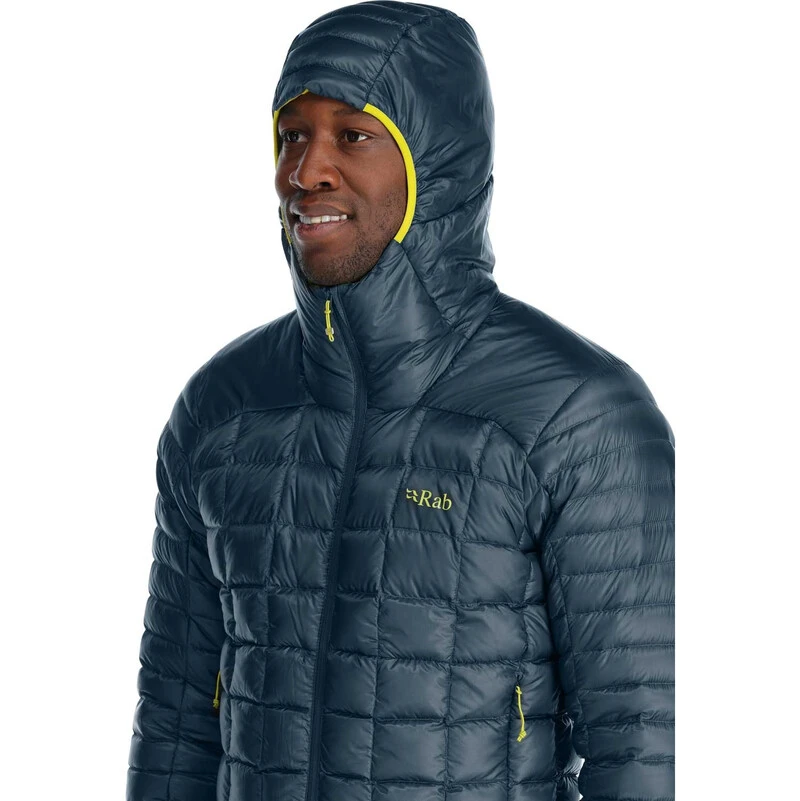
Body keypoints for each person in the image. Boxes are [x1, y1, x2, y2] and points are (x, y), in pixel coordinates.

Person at [125, 2, 675, 800]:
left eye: (353, 135)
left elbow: (639, 740)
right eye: (291, 135)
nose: (304, 171)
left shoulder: (575, 416)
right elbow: (175, 727)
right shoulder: (223, 411)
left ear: (437, 163)